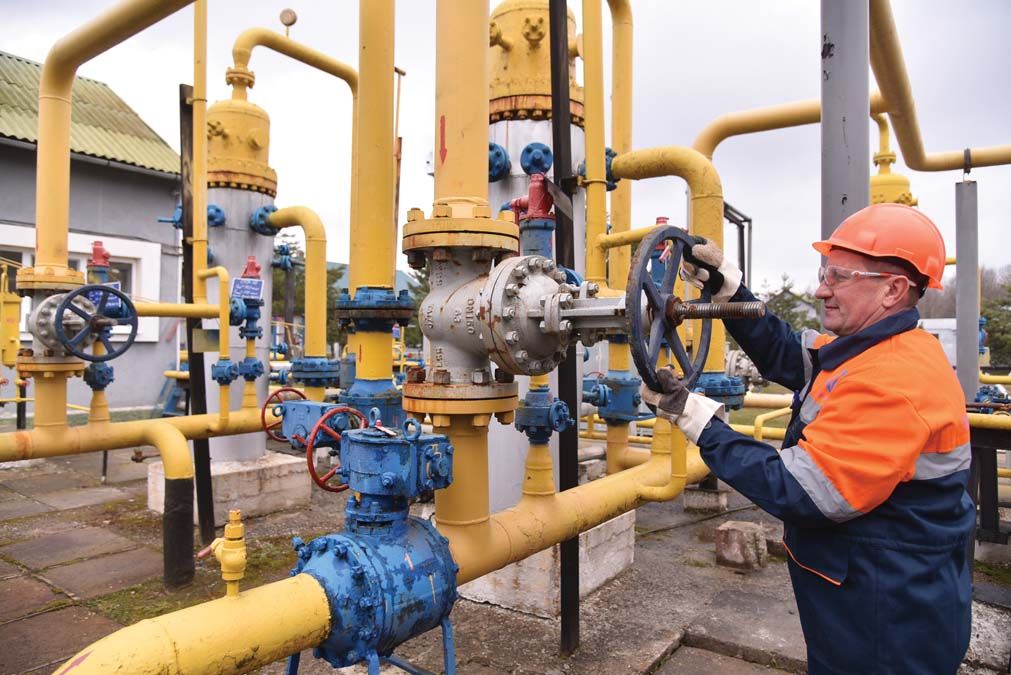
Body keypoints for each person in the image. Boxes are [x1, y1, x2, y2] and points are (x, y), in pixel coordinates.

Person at [641, 203, 973, 674]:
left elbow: (800, 491)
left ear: (893, 290)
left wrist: (698, 420)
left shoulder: (894, 383)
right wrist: (728, 288)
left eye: (839, 276)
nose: (821, 289)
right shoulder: (868, 351)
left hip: (888, 617)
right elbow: (784, 352)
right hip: (874, 590)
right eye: (825, 272)